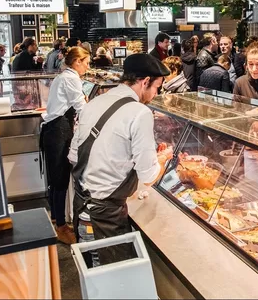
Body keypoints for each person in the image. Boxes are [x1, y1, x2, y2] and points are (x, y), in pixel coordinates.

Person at [69, 54, 172, 266]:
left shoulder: (95, 102)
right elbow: (149, 176)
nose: (156, 93)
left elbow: (73, 155)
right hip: (106, 218)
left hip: (81, 208)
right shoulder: (140, 112)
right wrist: (162, 159)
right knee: (111, 281)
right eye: (156, 87)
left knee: (90, 276)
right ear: (145, 82)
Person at [41, 47, 91, 244]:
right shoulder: (71, 78)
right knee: (60, 179)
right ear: (77, 61)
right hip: (58, 132)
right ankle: (61, 227)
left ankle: (56, 218)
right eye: (86, 61)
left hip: (54, 130)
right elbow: (81, 107)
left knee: (56, 179)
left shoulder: (63, 76)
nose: (88, 65)